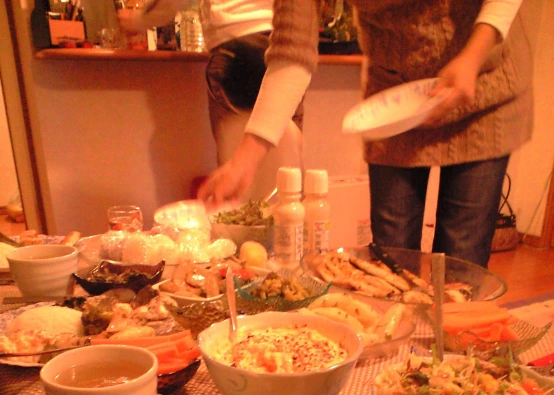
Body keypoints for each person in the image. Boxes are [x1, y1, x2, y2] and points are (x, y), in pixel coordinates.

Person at [198, 0, 533, 267]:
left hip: (483, 84)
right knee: (390, 258)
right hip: (393, 100)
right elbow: (291, 51)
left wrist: (473, 55)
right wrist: (244, 159)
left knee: (462, 260)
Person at [118, 0, 305, 201]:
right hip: (287, 53)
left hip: (239, 47)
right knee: (288, 187)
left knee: (239, 192)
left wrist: (138, 20)